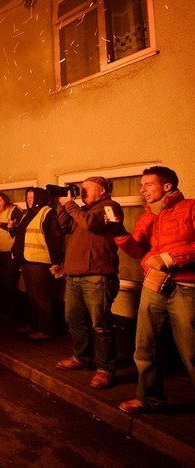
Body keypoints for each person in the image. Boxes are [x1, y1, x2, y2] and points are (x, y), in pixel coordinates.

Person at [111, 166, 195, 414]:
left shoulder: (190, 208)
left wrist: (170, 258)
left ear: (167, 186)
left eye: (148, 184)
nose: (142, 190)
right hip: (153, 285)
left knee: (191, 351)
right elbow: (137, 250)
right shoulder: (147, 215)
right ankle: (149, 398)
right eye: (141, 185)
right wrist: (120, 233)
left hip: (186, 287)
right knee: (145, 346)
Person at [55, 177, 123, 389]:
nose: (82, 192)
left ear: (102, 191)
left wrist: (70, 205)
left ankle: (105, 369)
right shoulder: (82, 210)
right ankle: (81, 357)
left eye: (87, 188)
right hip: (74, 276)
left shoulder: (110, 207)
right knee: (74, 319)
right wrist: (62, 205)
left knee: (100, 325)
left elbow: (90, 223)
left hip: (97, 277)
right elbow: (63, 227)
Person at [11, 187, 64, 341]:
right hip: (26, 260)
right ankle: (33, 325)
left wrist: (55, 261)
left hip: (40, 262)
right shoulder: (27, 214)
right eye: (27, 197)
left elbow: (55, 238)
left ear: (39, 198)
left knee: (41, 297)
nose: (29, 200)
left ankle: (45, 330)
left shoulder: (48, 213)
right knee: (31, 296)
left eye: (32, 197)